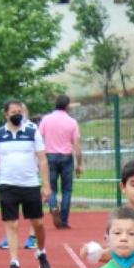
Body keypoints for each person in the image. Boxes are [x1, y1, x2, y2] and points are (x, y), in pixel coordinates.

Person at [0, 99, 52, 268]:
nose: (17, 115)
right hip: (7, 185)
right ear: (6, 114)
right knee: (12, 225)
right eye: (13, 112)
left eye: (19, 112)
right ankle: (14, 263)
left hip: (30, 184)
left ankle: (41, 251)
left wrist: (46, 185)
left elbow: (42, 159)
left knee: (38, 223)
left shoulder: (33, 132)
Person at [39, 94, 83, 229]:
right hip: (66, 157)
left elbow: (39, 138)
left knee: (51, 187)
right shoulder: (72, 122)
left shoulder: (46, 120)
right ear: (67, 106)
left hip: (50, 156)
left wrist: (38, 158)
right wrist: (79, 163)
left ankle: (53, 207)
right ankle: (63, 220)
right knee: (67, 190)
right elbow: (76, 144)